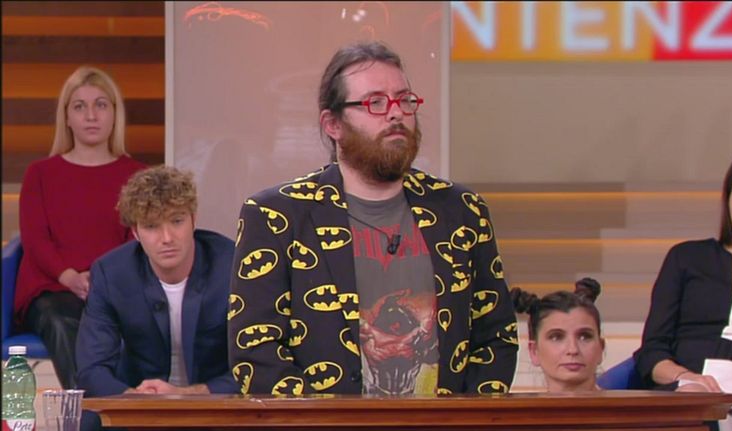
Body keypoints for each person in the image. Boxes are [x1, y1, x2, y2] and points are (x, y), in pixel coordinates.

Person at [228, 41, 518, 396]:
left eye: (404, 100)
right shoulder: (277, 216)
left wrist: (464, 418)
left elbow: (495, 336)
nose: (396, 114)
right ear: (333, 124)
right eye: (375, 103)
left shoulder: (462, 211)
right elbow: (256, 351)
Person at [14, 65, 146, 389]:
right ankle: (93, 409)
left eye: (100, 104)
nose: (91, 115)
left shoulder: (137, 175)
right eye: (79, 106)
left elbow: (137, 240)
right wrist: (70, 277)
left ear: (114, 114)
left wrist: (102, 282)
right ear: (67, 118)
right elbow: (35, 239)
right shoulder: (40, 174)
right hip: (52, 289)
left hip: (114, 288)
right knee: (65, 319)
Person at [634, 147, 732, 431]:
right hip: (681, 390)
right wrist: (686, 378)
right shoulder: (686, 258)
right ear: (727, 199)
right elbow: (652, 352)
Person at [75, 165, 237, 397]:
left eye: (177, 221)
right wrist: (136, 399)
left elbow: (257, 367)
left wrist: (189, 395)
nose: (167, 238)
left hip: (216, 404)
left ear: (193, 220)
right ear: (135, 232)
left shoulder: (232, 267)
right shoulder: (112, 274)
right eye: (151, 226)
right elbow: (92, 369)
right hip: (138, 402)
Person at [511, 278, 605, 392]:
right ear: (534, 351)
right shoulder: (516, 405)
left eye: (584, 336)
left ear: (601, 348)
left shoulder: (624, 403)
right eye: (556, 337)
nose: (573, 350)